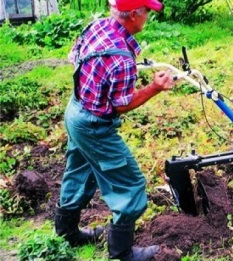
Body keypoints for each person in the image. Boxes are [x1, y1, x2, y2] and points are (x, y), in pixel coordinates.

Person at [54, 0, 174, 260]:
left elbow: (73, 57)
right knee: (130, 185)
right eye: (147, 13)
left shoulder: (96, 27)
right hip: (94, 126)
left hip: (75, 111)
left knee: (80, 171)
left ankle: (67, 234)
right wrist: (154, 87)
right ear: (133, 15)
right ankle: (122, 253)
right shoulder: (121, 59)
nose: (148, 18)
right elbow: (121, 105)